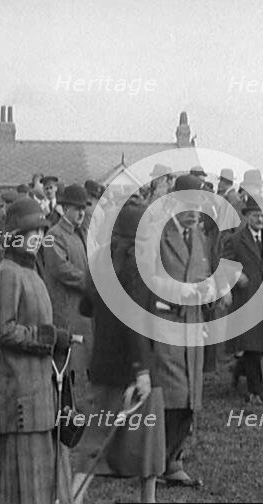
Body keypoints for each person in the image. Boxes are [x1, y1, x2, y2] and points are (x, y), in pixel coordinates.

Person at [73, 202, 165, 504]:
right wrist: (141, 371)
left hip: (103, 362)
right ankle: (148, 500)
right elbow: (135, 320)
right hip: (135, 366)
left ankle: (73, 496)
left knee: (95, 440)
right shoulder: (138, 265)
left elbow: (85, 307)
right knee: (147, 444)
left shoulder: (100, 262)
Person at [0, 198, 74, 504]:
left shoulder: (31, 270)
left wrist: (59, 340)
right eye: (31, 232)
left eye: (41, 231)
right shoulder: (9, 272)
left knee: (49, 479)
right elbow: (4, 330)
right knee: (27, 485)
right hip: (21, 391)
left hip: (42, 389)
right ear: (16, 235)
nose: (38, 237)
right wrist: (49, 337)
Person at [136, 174, 213, 488]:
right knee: (171, 395)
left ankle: (173, 459)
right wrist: (178, 292)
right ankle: (155, 461)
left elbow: (204, 273)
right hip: (163, 325)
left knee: (191, 398)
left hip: (193, 326)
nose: (194, 210)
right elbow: (144, 278)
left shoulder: (200, 237)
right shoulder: (155, 234)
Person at [225, 195, 263, 404]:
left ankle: (240, 369)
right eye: (255, 215)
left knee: (260, 343)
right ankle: (255, 391)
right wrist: (236, 275)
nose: (260, 219)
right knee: (251, 345)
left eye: (262, 215)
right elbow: (224, 264)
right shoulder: (236, 239)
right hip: (246, 299)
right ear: (247, 217)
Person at [42, 184, 92, 405]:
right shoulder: (54, 235)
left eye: (83, 208)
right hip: (63, 309)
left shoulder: (80, 233)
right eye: (76, 208)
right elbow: (61, 269)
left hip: (80, 310)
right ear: (64, 208)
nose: (81, 213)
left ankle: (70, 408)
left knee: (77, 361)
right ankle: (61, 411)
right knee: (63, 362)